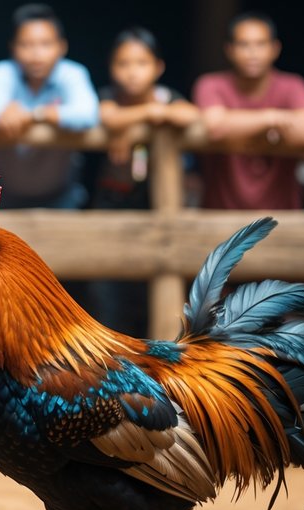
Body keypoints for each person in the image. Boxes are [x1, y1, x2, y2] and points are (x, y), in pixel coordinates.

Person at [89, 27, 199, 336]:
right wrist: (148, 115)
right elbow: (108, 118)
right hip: (112, 203)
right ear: (112, 69)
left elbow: (190, 115)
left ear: (158, 67)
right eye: (123, 64)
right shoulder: (109, 97)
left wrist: (146, 117)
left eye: (141, 63)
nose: (132, 72)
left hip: (154, 205)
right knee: (109, 287)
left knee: (152, 283)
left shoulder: (168, 98)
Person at [193, 12, 304, 211]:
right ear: (230, 50)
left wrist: (238, 126)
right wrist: (271, 118)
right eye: (244, 45)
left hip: (282, 219)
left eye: (260, 44)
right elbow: (215, 126)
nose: (253, 53)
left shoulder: (292, 86)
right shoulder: (210, 85)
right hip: (221, 218)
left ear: (274, 49)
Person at [0, 3, 98, 210]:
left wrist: (36, 114)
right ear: (13, 48)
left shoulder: (72, 74)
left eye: (45, 44)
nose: (36, 54)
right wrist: (5, 116)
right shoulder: (0, 73)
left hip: (62, 198)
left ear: (62, 46)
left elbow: (88, 114)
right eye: (26, 44)